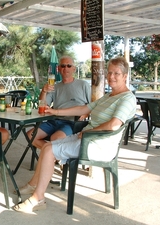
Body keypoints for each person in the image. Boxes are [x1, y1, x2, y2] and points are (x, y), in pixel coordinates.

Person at [13, 56, 136, 213]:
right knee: (47, 147)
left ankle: (38, 198)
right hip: (87, 138)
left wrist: (88, 131)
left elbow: (114, 124)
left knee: (49, 149)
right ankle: (33, 186)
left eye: (116, 73)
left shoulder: (127, 98)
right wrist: (55, 111)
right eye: (109, 72)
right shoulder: (109, 96)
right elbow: (83, 109)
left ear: (125, 76)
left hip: (97, 144)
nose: (111, 76)